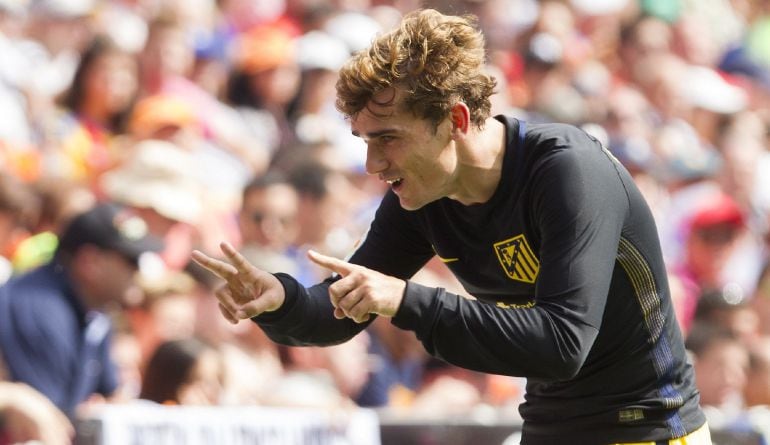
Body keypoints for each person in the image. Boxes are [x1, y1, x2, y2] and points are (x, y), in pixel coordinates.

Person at [192, 9, 709, 444]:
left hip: (653, 432)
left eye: (388, 138)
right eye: (364, 141)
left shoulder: (567, 171)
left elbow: (561, 345)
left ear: (457, 121)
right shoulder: (421, 193)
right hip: (550, 431)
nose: (373, 165)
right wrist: (279, 299)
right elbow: (339, 312)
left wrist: (404, 299)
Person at [0, 202, 162, 417]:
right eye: (131, 260)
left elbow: (110, 394)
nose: (138, 271)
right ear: (90, 262)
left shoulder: (93, 307)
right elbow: (51, 415)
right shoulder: (39, 308)